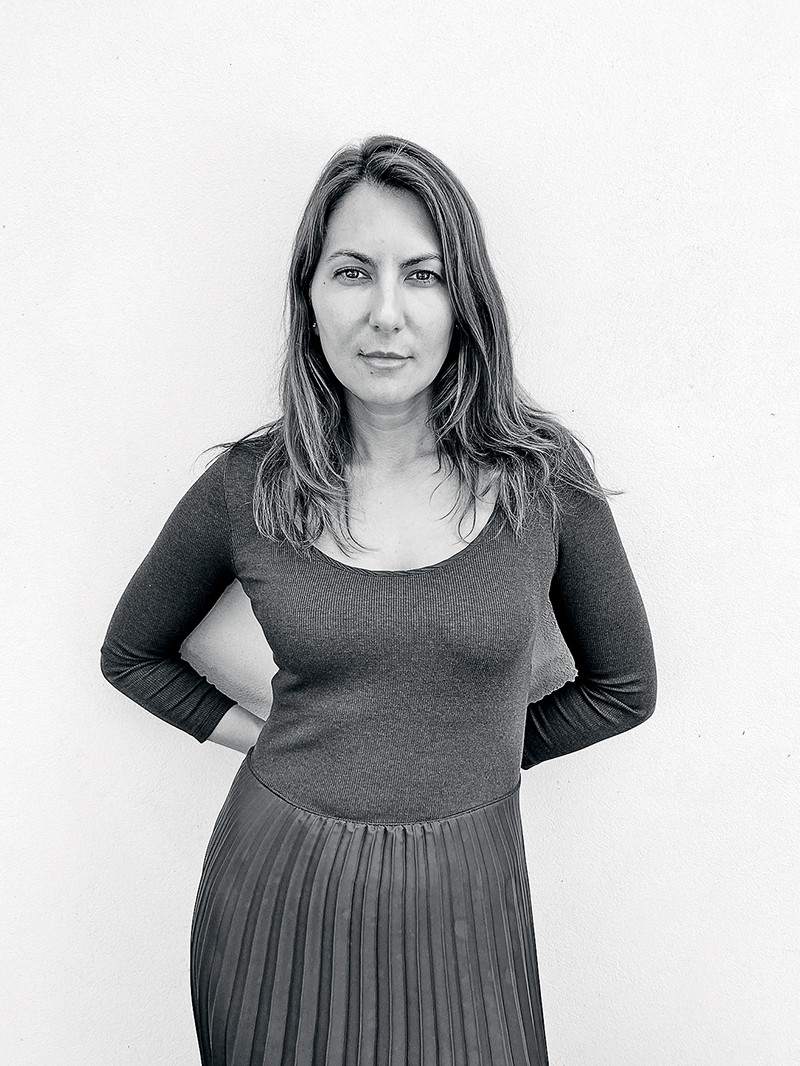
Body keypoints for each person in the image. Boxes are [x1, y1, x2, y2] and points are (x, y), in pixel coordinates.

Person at [100, 134, 657, 1066]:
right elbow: (131, 656)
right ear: (310, 296)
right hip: (275, 888)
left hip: (469, 896)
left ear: (465, 300)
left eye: (423, 275)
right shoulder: (249, 485)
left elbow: (624, 690)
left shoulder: (544, 480)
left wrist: (469, 750)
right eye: (353, 272)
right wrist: (267, 737)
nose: (385, 314)